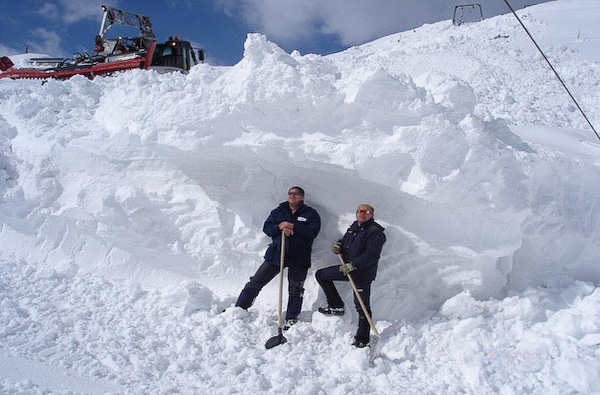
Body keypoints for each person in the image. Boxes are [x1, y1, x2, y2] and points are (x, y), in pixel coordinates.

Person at [235, 186, 321, 329]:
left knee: (296, 288)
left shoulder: (310, 213)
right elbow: (267, 228)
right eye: (290, 193)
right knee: (256, 281)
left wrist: (293, 226)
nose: (293, 196)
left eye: (296, 194)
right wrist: (280, 226)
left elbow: (313, 232)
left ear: (302, 197)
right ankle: (240, 307)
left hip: (299, 257)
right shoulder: (279, 211)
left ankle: (292, 317)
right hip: (277, 254)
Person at [315, 204, 386, 348]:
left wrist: (354, 265)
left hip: (362, 273)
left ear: (372, 215)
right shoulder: (354, 227)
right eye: (360, 211)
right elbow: (346, 241)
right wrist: (339, 245)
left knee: (362, 306)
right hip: (347, 269)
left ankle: (363, 338)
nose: (362, 214)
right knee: (321, 275)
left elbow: (371, 256)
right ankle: (336, 305)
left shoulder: (375, 232)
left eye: (366, 212)